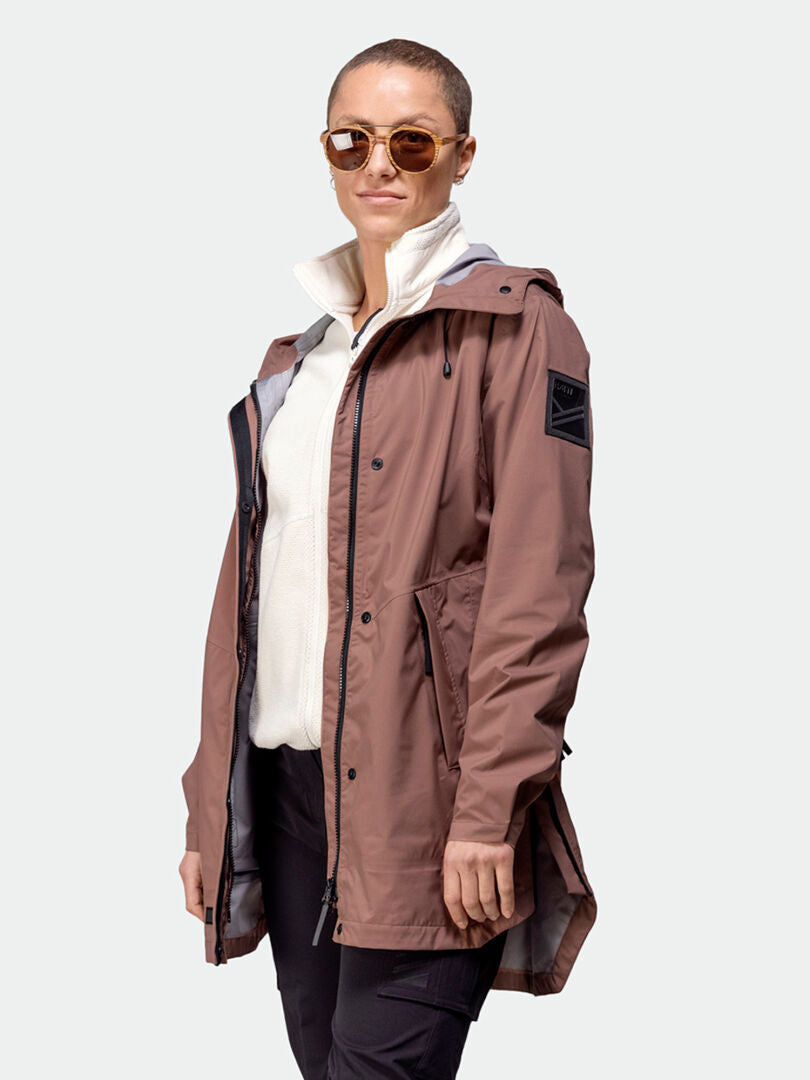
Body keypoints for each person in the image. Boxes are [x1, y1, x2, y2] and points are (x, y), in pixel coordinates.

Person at [179, 37, 598, 1080]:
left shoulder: (519, 329)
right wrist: (208, 809)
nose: (378, 163)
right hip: (286, 794)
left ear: (462, 156)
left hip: (424, 803)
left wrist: (488, 811)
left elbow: (538, 595)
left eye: (411, 141)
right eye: (352, 140)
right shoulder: (300, 358)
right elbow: (250, 598)